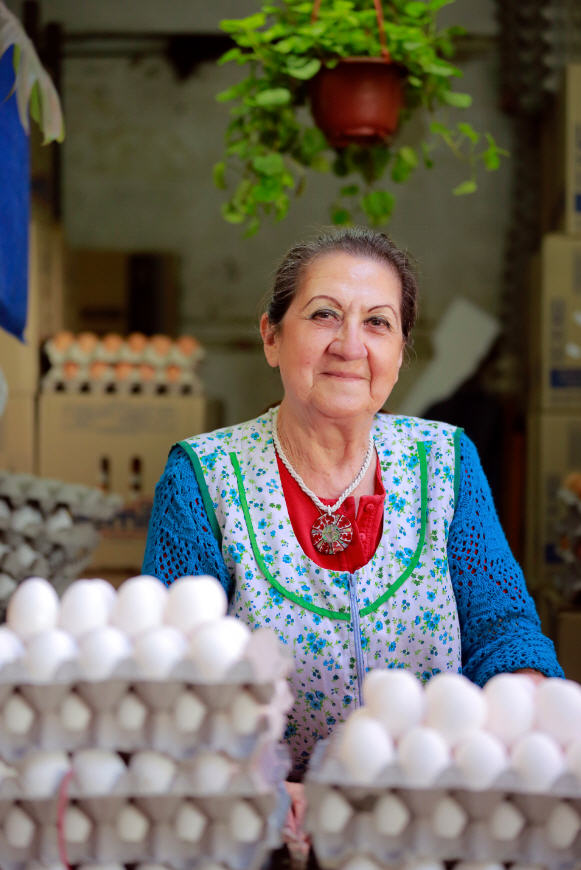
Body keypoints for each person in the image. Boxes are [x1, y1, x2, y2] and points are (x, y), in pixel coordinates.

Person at [143, 226, 562, 842]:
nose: (349, 344)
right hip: (262, 826)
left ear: (400, 351)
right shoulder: (203, 478)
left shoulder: (445, 462)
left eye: (378, 323)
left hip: (425, 818)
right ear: (271, 336)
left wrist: (524, 714)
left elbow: (502, 629)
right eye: (323, 315)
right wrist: (251, 777)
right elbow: (170, 670)